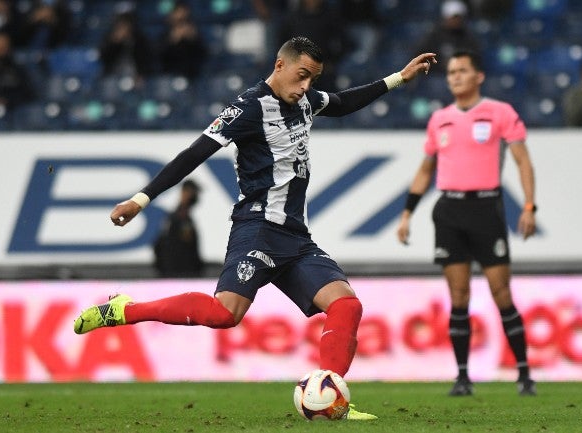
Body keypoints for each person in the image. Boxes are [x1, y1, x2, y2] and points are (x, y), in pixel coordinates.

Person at [74, 36, 437, 420]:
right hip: (258, 228)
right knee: (224, 314)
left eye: (312, 79)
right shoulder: (248, 108)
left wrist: (400, 78)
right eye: (301, 75)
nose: (306, 87)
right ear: (280, 65)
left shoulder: (305, 102)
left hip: (295, 237)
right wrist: (141, 199)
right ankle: (126, 309)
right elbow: (194, 154)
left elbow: (343, 103)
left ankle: (332, 398)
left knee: (346, 305)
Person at [396, 50, 537, 397]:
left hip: (486, 209)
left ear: (479, 76)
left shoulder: (500, 113)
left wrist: (529, 206)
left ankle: (523, 373)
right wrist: (407, 213)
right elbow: (425, 170)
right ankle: (462, 377)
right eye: (451, 72)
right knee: (459, 296)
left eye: (462, 70)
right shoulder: (439, 119)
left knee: (501, 293)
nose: (455, 76)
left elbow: (522, 161)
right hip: (450, 211)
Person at [278, 0, 350, 92]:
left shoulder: (330, 16)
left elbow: (343, 41)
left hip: (323, 69)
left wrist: (333, 62)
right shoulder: (292, 17)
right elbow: (282, 44)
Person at [153, 179, 204, 278]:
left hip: (182, 274)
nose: (196, 196)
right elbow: (166, 247)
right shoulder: (179, 217)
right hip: (180, 275)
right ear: (185, 192)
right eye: (194, 192)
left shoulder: (183, 217)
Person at [413, 0, 481, 74]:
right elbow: (420, 57)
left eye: (458, 17)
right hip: (437, 75)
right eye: (453, 17)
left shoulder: (468, 37)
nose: (456, 20)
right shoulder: (434, 36)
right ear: (445, 17)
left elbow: (475, 59)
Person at [98, 10, 153, 82]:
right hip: (113, 75)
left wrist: (141, 74)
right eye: (120, 25)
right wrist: (115, 43)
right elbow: (104, 59)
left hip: (134, 75)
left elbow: (146, 60)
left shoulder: (140, 40)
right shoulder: (110, 38)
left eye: (125, 24)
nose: (123, 28)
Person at [157, 2, 208, 80]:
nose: (181, 25)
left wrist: (193, 40)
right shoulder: (164, 36)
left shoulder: (196, 35)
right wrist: (172, 40)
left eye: (184, 20)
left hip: (194, 76)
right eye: (178, 20)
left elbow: (203, 56)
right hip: (170, 76)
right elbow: (159, 59)